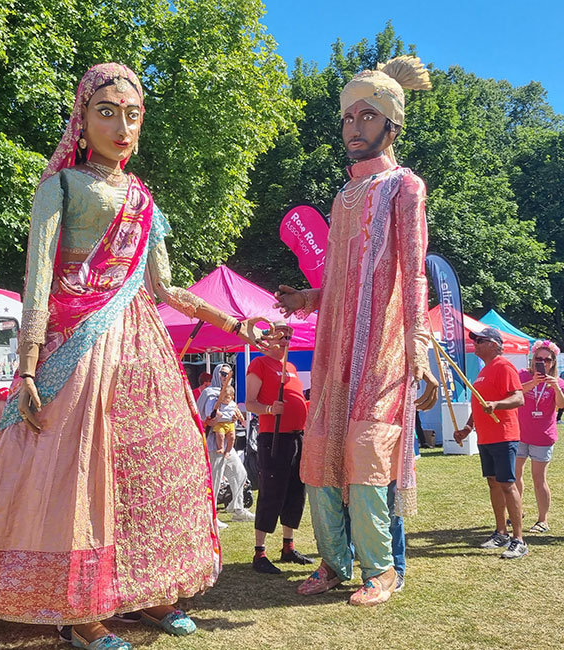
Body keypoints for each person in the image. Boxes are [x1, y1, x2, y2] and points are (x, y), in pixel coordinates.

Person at [0, 63, 268, 650]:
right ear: (82, 118)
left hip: (144, 355)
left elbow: (166, 289)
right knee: (79, 479)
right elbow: (38, 280)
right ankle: (78, 611)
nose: (121, 126)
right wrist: (27, 366)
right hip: (80, 351)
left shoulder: (144, 196)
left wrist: (235, 322)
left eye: (133, 115)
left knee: (153, 471)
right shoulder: (61, 187)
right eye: (107, 112)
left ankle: (146, 594)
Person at [273, 56, 438, 606]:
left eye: (367, 117)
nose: (353, 129)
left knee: (367, 458)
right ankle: (333, 563)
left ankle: (382, 571)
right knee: (319, 457)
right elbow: (345, 280)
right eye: (347, 118)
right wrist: (309, 298)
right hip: (333, 351)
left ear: (392, 125)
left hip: (384, 348)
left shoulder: (405, 187)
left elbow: (413, 271)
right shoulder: (343, 199)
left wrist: (420, 347)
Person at [454, 327, 527, 559]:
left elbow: (519, 397)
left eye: (480, 341)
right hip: (486, 438)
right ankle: (501, 532)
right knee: (494, 484)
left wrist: (497, 404)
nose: (475, 344)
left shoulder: (504, 366)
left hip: (504, 435)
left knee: (507, 485)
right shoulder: (484, 371)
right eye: (475, 341)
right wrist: (467, 427)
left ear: (494, 344)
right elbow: (479, 402)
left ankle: (519, 539)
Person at [245, 334, 313, 574]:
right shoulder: (259, 364)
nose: (286, 340)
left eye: (288, 336)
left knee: (296, 491)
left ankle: (288, 546)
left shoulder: (291, 367)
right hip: (274, 437)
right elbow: (250, 403)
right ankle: (259, 551)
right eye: (280, 336)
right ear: (268, 340)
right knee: (271, 492)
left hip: (297, 436)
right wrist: (270, 409)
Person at [515, 340, 564, 534]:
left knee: (538, 478)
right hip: (519, 433)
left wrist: (556, 389)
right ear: (533, 359)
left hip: (543, 436)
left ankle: (542, 520)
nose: (542, 362)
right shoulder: (522, 375)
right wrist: (533, 382)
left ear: (553, 362)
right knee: (515, 475)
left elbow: (561, 405)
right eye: (539, 358)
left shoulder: (558, 382)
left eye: (547, 359)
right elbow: (515, 394)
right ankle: (516, 511)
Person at [198, 364, 255, 526]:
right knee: (216, 479)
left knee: (240, 473)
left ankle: (238, 509)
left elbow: (232, 412)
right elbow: (210, 415)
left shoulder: (228, 393)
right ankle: (211, 517)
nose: (225, 376)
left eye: (228, 373)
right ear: (217, 374)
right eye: (222, 373)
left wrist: (234, 416)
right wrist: (227, 417)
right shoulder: (210, 393)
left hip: (227, 443)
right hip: (214, 443)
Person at [212, 384, 245, 457]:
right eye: (222, 397)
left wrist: (241, 417)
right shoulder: (219, 403)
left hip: (230, 424)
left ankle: (228, 450)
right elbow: (215, 409)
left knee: (232, 437)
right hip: (220, 424)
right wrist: (217, 412)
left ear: (232, 398)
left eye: (227, 397)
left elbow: (237, 411)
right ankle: (221, 448)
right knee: (220, 435)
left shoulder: (233, 404)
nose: (224, 399)